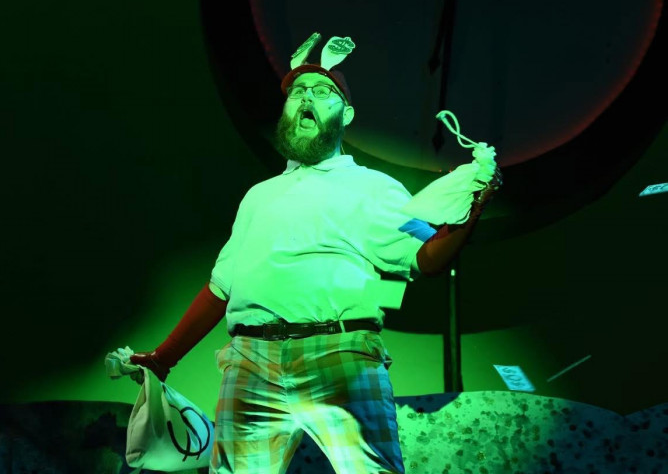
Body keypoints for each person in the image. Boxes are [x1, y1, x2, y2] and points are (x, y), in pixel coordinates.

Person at [131, 34, 501, 474]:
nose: (306, 97)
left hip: (341, 354)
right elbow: (220, 288)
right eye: (297, 92)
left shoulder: (374, 187)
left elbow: (428, 258)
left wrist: (474, 200)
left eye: (323, 91)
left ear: (347, 114)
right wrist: (164, 358)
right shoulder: (258, 197)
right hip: (251, 361)